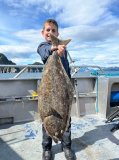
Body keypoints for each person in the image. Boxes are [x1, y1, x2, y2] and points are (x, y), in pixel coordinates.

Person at [37, 19, 75, 160]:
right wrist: (53, 48)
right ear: (43, 33)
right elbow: (43, 52)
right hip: (48, 94)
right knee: (45, 124)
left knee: (67, 121)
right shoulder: (43, 46)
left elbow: (66, 70)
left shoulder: (63, 49)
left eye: (53, 31)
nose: (50, 33)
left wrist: (60, 50)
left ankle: (67, 146)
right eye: (48, 30)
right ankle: (46, 148)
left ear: (58, 33)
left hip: (62, 93)